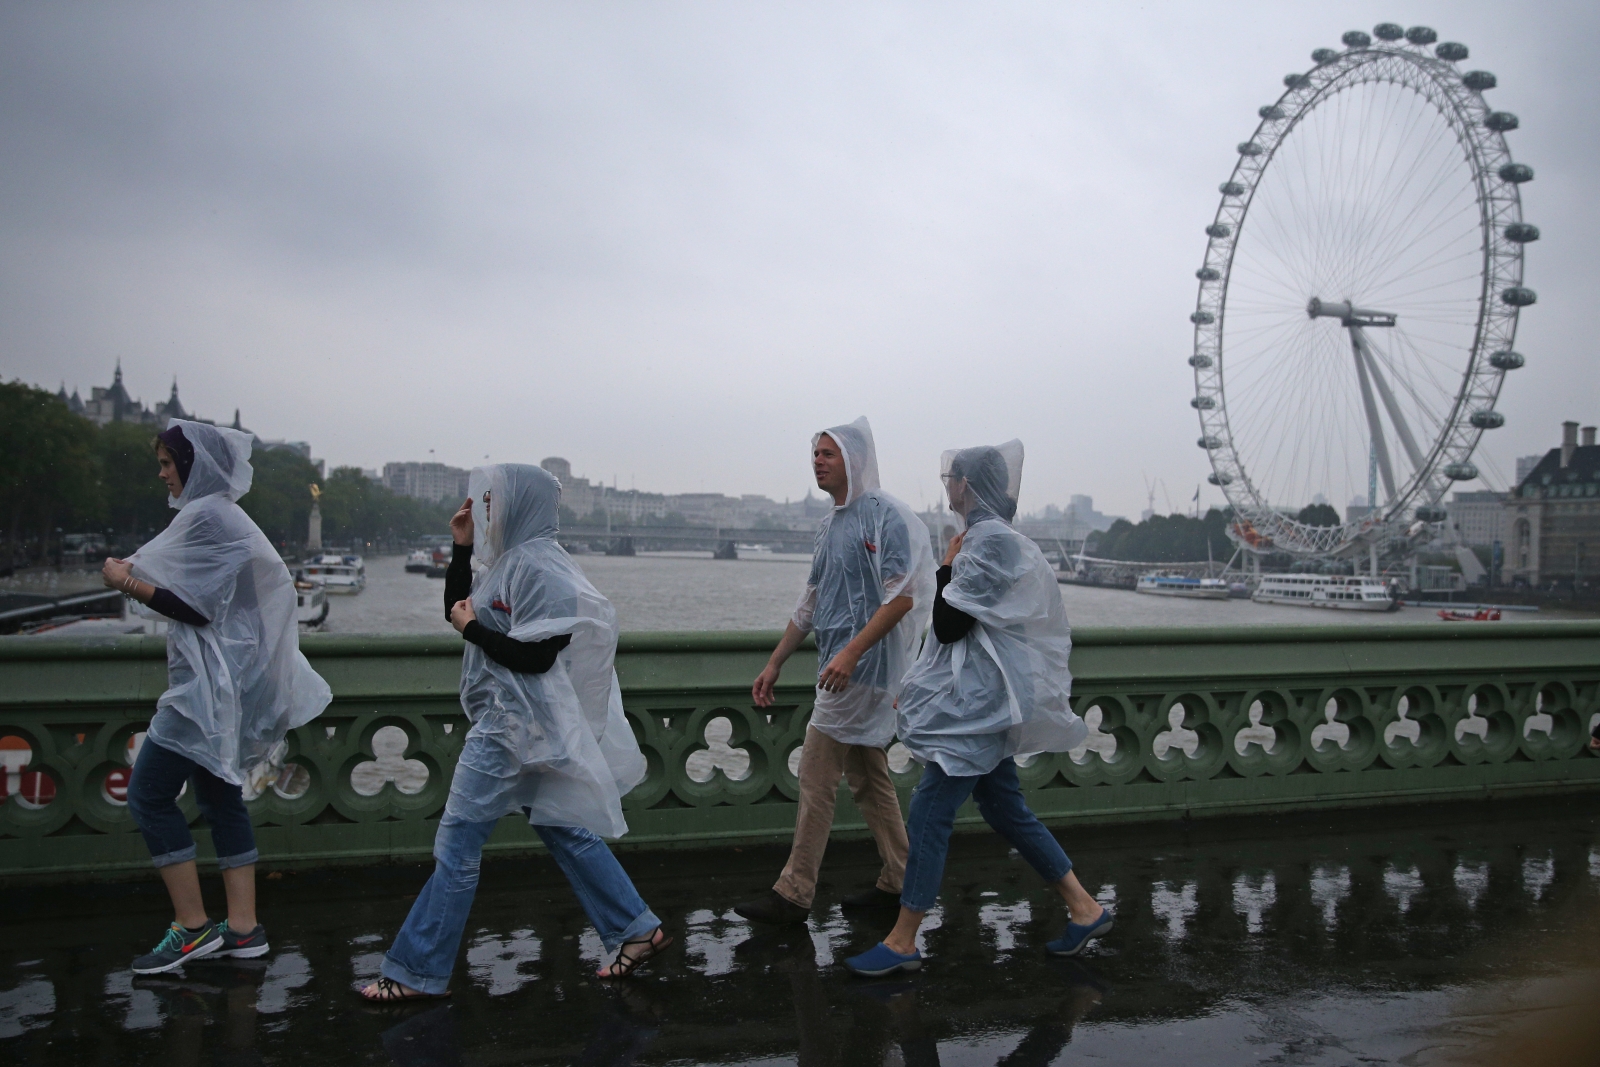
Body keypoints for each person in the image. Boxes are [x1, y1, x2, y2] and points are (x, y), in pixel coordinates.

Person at [360, 463, 669, 1001]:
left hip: (509, 730)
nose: (484, 510)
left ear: (518, 506)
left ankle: (415, 972)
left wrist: (472, 629)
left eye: (491, 501)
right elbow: (456, 611)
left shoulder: (540, 570)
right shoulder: (510, 563)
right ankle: (637, 928)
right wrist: (459, 549)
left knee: (457, 846)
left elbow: (534, 656)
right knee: (561, 826)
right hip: (527, 727)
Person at [843, 440, 1111, 977]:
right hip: (987, 703)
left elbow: (950, 625)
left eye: (951, 477)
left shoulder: (986, 543)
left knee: (930, 812)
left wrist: (946, 568)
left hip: (978, 712)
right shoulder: (994, 539)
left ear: (968, 485)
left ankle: (902, 939)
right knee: (1005, 807)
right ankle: (1084, 907)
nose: (946, 485)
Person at [103, 420, 333, 975]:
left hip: (204, 692)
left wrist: (123, 580)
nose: (161, 474)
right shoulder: (227, 516)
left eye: (166, 463)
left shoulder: (207, 515)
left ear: (193, 464)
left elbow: (197, 607)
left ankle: (191, 927)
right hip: (232, 684)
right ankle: (245, 929)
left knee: (149, 796)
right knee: (220, 798)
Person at [735, 417, 936, 924]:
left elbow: (903, 597)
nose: (818, 461)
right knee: (869, 778)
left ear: (855, 460)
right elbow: (812, 601)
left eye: (828, 453)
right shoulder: (831, 524)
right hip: (842, 667)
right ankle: (901, 878)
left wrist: (849, 653)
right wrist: (775, 662)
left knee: (816, 773)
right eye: (816, 454)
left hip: (864, 670)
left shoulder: (885, 516)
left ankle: (794, 892)